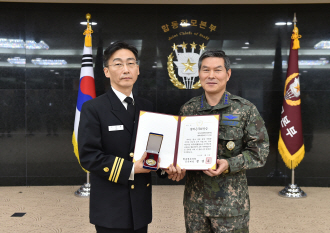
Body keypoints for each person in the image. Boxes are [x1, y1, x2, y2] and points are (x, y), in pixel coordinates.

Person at [168, 50, 269, 232]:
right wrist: (176, 167)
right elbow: (178, 150)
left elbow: (260, 151)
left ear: (228, 74)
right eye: (206, 70)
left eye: (218, 70)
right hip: (195, 204)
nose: (211, 75)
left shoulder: (245, 109)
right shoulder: (188, 109)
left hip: (231, 205)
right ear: (199, 74)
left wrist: (229, 164)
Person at [78, 41, 165, 233]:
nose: (126, 69)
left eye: (131, 63)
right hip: (111, 208)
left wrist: (167, 168)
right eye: (118, 64)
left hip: (140, 206)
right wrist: (132, 169)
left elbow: (154, 147)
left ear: (138, 70)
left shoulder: (147, 106)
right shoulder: (93, 108)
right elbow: (89, 156)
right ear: (107, 71)